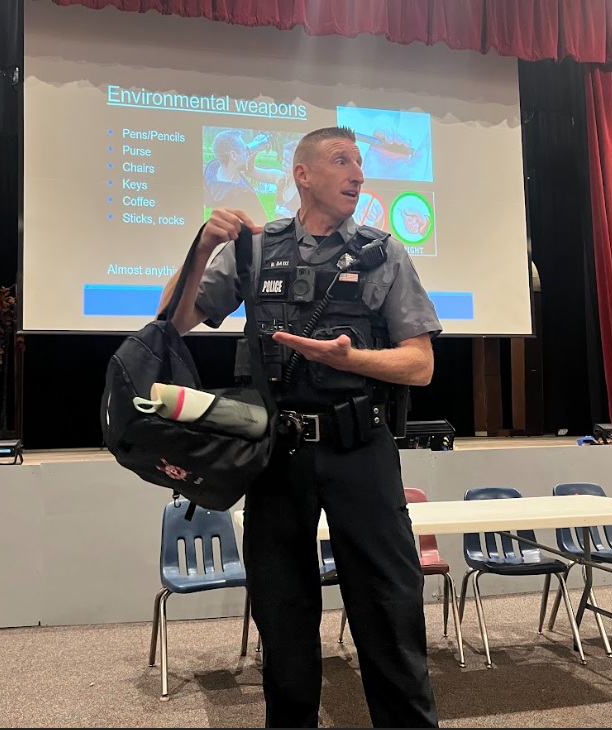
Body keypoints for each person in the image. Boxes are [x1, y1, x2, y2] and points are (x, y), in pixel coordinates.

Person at [159, 126, 440, 728]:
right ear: (302, 175)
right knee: (282, 617)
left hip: (360, 449)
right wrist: (201, 249)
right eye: (342, 161)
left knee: (389, 611)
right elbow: (171, 322)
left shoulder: (383, 252)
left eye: (361, 163)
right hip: (277, 458)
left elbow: (420, 364)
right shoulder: (253, 252)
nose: (358, 174)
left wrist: (351, 359)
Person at [204, 130, 286, 224]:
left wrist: (256, 148)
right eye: (244, 150)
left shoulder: (216, 175)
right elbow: (261, 229)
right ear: (233, 155)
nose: (247, 153)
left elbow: (248, 168)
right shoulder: (242, 196)